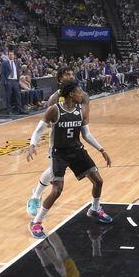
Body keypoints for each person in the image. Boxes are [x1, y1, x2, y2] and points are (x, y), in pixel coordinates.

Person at [26, 81, 112, 239]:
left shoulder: (81, 110)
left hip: (76, 150)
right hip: (59, 154)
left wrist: (102, 150)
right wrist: (32, 145)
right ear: (71, 94)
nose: (82, 95)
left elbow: (86, 134)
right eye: (79, 92)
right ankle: (36, 222)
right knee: (57, 190)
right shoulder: (54, 110)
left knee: (98, 181)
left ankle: (94, 209)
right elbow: (38, 130)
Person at [25, 67, 88, 216]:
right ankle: (35, 197)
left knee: (53, 170)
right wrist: (33, 143)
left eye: (72, 74)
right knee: (54, 171)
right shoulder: (54, 99)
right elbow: (44, 125)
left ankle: (37, 193)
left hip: (73, 140)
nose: (71, 76)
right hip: (58, 141)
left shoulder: (82, 95)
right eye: (67, 74)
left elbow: (84, 117)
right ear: (60, 78)